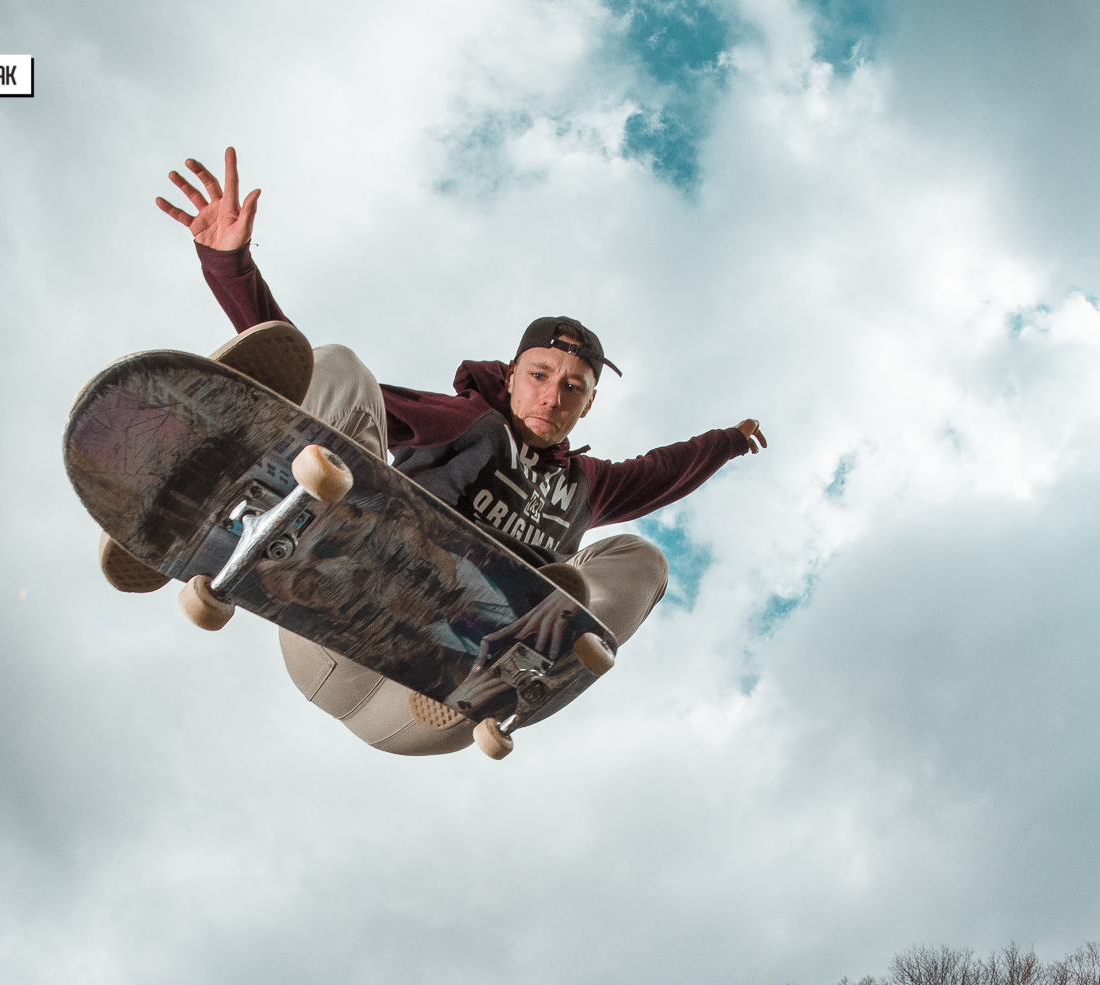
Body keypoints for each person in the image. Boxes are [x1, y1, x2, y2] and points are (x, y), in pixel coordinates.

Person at [120, 147, 768, 755]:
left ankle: (539, 653)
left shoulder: (589, 485)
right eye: (540, 374)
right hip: (331, 624)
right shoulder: (461, 420)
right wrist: (229, 265)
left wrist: (731, 441)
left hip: (427, 701)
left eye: (573, 387)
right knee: (342, 368)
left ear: (589, 404)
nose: (553, 395)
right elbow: (313, 376)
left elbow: (667, 469)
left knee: (640, 558)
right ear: (511, 374)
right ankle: (250, 501)